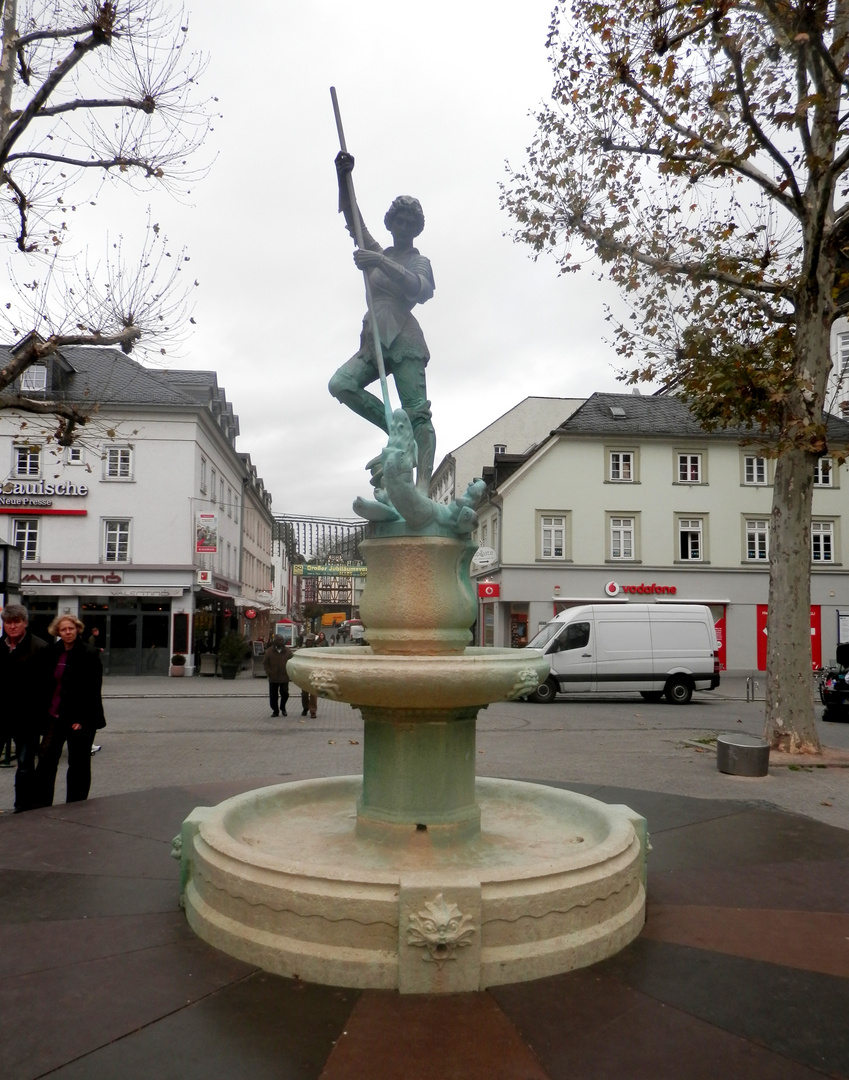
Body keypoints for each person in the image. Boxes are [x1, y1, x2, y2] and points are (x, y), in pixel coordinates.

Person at [328, 151, 436, 492]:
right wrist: (343, 177)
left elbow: (420, 290)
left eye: (410, 223)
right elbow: (352, 219)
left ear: (416, 228)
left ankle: (423, 487)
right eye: (398, 221)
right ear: (391, 223)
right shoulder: (377, 250)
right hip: (374, 337)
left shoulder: (418, 261)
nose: (403, 227)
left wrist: (379, 262)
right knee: (341, 384)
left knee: (418, 413)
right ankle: (395, 432)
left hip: (404, 339)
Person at [36, 614, 106, 806]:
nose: (67, 632)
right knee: (46, 761)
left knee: (79, 765)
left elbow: (92, 690)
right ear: (57, 632)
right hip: (55, 716)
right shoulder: (52, 652)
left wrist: (81, 719)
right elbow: (45, 686)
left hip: (80, 720)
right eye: (63, 629)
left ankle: (76, 806)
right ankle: (42, 805)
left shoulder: (89, 653)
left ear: (77, 630)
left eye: (71, 629)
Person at [0, 603, 48, 812]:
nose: (12, 627)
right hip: (1, 715)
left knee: (25, 765)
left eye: (16, 622)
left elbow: (46, 686)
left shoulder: (39, 647)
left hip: (27, 718)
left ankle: (22, 805)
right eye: (8, 622)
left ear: (25, 623)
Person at [263, 635, 293, 717]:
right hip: (273, 677)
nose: (281, 641)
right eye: (279, 640)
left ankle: (283, 708)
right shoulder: (269, 651)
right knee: (273, 696)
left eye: (282, 640)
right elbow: (265, 663)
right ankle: (275, 710)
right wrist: (269, 672)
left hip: (284, 677)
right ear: (275, 641)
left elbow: (292, 662)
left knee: (285, 694)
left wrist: (290, 673)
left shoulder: (287, 651)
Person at [300, 635, 318, 719]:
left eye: (311, 640)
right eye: (308, 640)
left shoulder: (316, 650)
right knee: (304, 694)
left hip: (314, 674)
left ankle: (313, 710)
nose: (309, 642)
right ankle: (305, 708)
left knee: (313, 694)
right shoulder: (303, 650)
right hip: (304, 674)